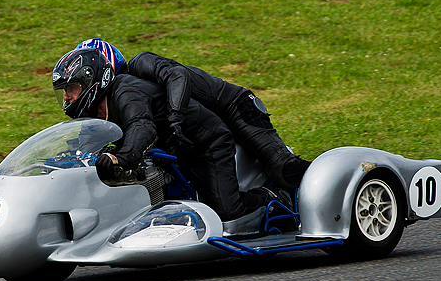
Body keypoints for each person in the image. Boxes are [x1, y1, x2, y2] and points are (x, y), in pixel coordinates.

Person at [52, 46, 284, 223]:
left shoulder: (125, 91)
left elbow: (142, 126)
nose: (66, 97)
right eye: (64, 91)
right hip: (176, 147)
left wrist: (121, 158)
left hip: (205, 143)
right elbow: (88, 143)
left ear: (89, 81)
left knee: (226, 212)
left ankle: (274, 197)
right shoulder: (98, 113)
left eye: (71, 88)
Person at [71, 39, 310, 190]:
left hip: (234, 106)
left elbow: (177, 76)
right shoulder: (118, 102)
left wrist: (175, 118)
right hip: (204, 125)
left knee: (282, 168)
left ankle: (325, 184)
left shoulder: (140, 66)